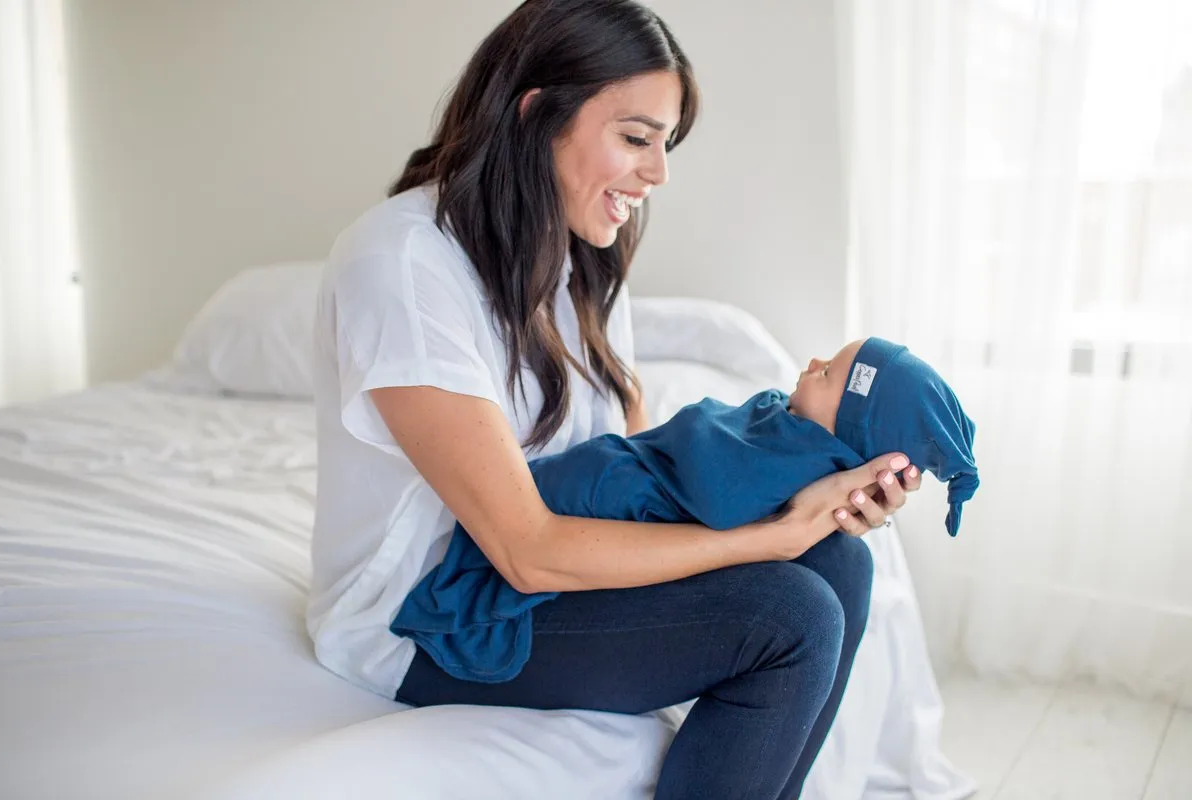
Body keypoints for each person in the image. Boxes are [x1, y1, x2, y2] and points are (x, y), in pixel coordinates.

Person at [308, 1, 924, 797]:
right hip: (431, 616)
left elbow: (637, 472)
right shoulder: (399, 263)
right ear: (536, 114)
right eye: (636, 138)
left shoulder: (578, 262)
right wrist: (765, 543)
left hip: (544, 575)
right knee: (788, 614)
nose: (659, 172)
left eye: (665, 145)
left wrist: (799, 494)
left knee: (839, 559)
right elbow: (526, 551)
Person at [392, 336, 979, 684]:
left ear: (846, 433)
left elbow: (715, 487)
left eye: (826, 374)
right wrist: (779, 533)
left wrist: (807, 516)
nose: (809, 364)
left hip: (611, 489)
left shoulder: (796, 455)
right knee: (801, 605)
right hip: (550, 520)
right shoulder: (793, 433)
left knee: (845, 562)